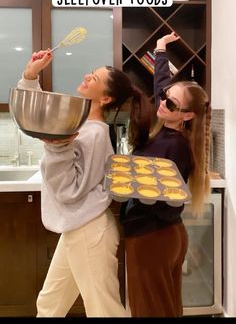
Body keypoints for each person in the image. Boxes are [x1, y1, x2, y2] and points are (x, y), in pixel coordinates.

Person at [16, 49, 154, 317]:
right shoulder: (78, 125)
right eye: (91, 73)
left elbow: (70, 190)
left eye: (95, 78)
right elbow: (39, 114)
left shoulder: (93, 134)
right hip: (79, 228)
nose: (86, 77)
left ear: (105, 98)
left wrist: (57, 149)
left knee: (104, 310)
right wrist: (31, 74)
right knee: (49, 304)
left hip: (89, 231)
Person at [120, 32, 211, 317]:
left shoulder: (173, 147)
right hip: (166, 236)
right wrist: (160, 49)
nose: (162, 103)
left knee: (150, 311)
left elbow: (154, 199)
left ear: (187, 116)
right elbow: (162, 87)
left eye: (171, 104)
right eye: (165, 98)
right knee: (166, 307)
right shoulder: (172, 126)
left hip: (152, 239)